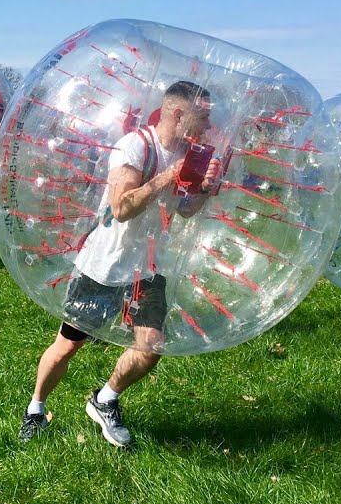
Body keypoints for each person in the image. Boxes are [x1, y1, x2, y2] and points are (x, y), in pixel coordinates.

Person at [19, 81, 221, 447]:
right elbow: (121, 209)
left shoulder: (190, 154)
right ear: (178, 113)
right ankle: (36, 408)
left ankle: (105, 399)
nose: (208, 124)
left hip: (149, 268)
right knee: (67, 345)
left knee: (151, 346)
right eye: (203, 115)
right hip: (106, 265)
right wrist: (165, 176)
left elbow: (185, 211)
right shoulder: (135, 146)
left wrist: (205, 189)